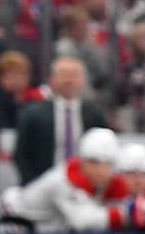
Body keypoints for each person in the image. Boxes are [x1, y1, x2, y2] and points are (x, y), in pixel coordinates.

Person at [0, 127, 137, 234]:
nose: (101, 171)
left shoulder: (109, 182)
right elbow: (83, 221)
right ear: (83, 162)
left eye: (108, 164)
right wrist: (126, 214)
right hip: (13, 221)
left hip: (45, 230)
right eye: (94, 163)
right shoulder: (63, 181)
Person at [12, 56, 107, 188]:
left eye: (74, 75)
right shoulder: (32, 114)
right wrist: (35, 186)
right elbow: (21, 155)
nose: (68, 80)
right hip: (43, 186)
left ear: (82, 80)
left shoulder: (94, 114)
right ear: (52, 80)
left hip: (84, 187)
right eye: (63, 75)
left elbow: (102, 154)